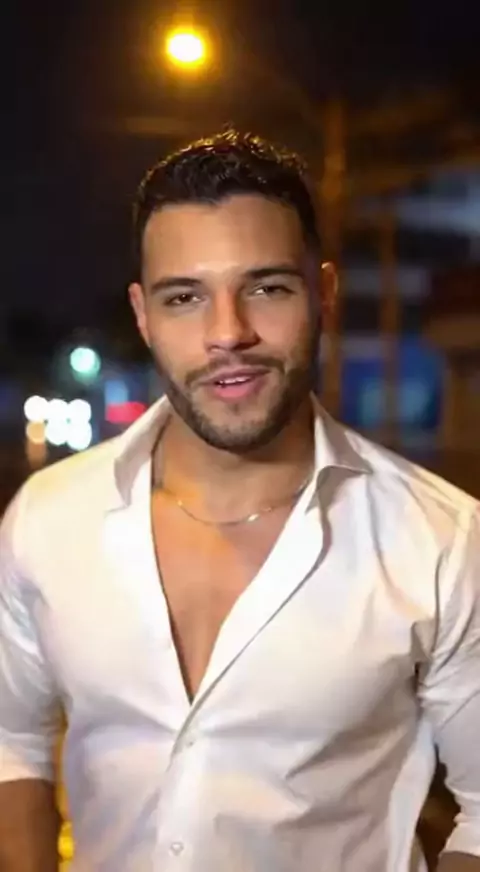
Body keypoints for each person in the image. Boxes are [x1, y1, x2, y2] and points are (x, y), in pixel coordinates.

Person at [0, 129, 479, 872]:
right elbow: (12, 745)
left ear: (323, 292)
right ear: (143, 314)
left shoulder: (440, 540)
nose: (228, 333)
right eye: (184, 297)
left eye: (267, 287)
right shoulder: (47, 518)